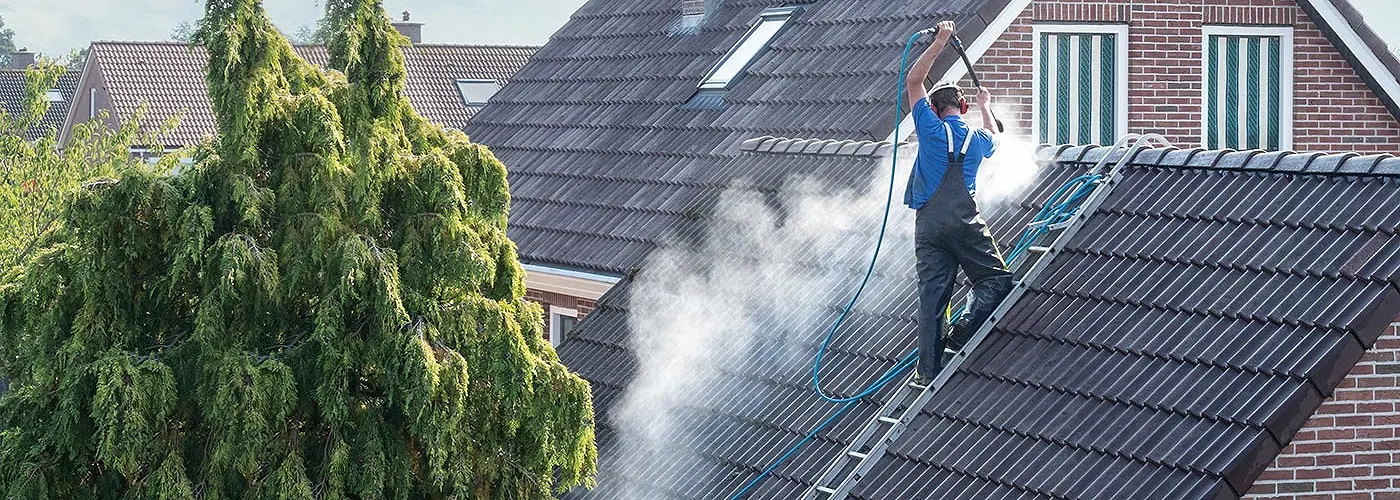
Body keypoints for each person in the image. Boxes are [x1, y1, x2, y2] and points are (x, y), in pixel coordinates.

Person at [903, 21, 1012, 383]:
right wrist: (986, 106)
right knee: (995, 279)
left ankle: (927, 372)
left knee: (933, 298)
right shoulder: (978, 138)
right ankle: (963, 331)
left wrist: (940, 42)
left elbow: (914, 81)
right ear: (962, 106)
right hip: (966, 224)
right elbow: (996, 135)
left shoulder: (929, 129)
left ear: (932, 110)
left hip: (929, 226)